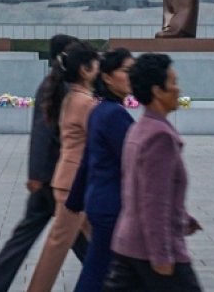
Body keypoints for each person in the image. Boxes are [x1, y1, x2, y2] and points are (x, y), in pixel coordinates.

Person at [0, 34, 88, 292]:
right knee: (73, 236)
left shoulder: (60, 86)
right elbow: (42, 132)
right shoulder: (56, 88)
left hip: (53, 179)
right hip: (54, 181)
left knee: (56, 237)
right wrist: (37, 175)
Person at [105, 53, 203, 291]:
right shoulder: (160, 137)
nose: (178, 89)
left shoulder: (139, 129)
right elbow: (153, 201)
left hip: (129, 244)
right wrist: (161, 255)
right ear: (157, 91)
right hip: (151, 251)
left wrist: (182, 219)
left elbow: (141, 190)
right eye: (173, 82)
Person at [26, 40, 101, 292]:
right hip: (75, 185)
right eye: (96, 61)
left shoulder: (72, 97)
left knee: (101, 244)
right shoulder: (85, 103)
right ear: (85, 69)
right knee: (57, 247)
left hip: (70, 181)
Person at [65, 48, 136, 292]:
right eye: (126, 71)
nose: (132, 75)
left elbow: (87, 159)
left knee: (100, 272)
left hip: (100, 204)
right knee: (99, 274)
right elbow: (135, 166)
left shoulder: (101, 110)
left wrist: (74, 201)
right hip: (113, 208)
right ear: (106, 77)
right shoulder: (115, 115)